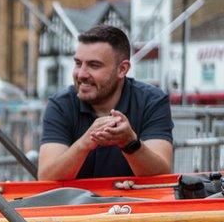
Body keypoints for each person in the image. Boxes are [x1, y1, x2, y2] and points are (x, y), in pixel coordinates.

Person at [38, 24, 173, 180]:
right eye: (78, 63)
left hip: (134, 203)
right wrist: (85, 143)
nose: (81, 74)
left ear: (122, 69)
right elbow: (46, 178)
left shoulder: (152, 101)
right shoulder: (61, 104)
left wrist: (130, 142)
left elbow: (162, 176)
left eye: (94, 65)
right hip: (76, 204)